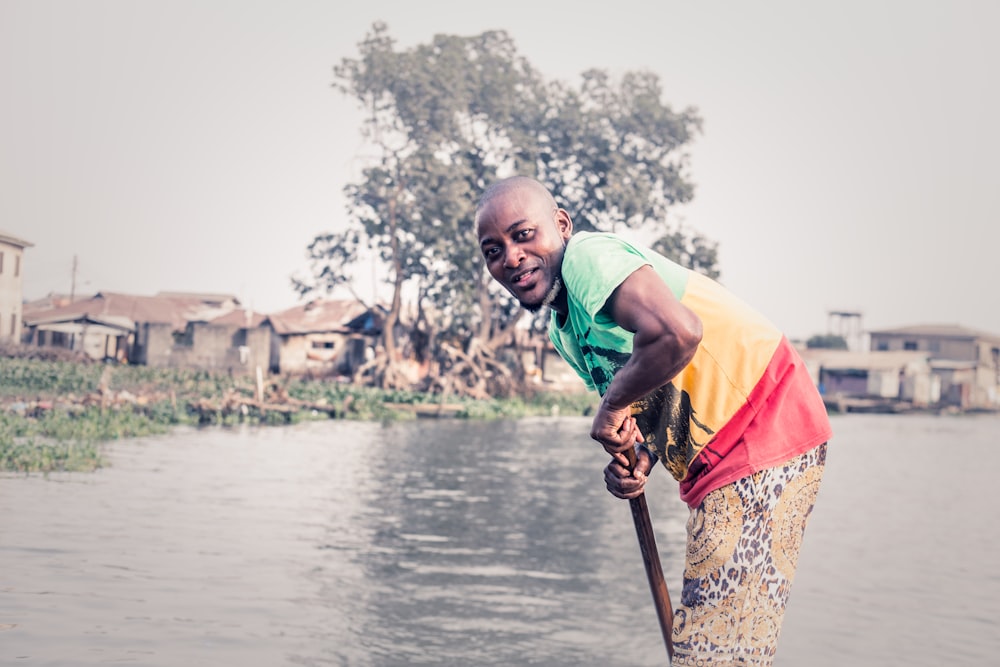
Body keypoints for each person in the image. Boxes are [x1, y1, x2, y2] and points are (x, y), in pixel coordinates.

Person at [475, 175, 832, 666]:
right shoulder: (566, 329)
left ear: (561, 226)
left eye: (523, 235)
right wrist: (635, 459)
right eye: (492, 250)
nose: (510, 257)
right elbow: (640, 411)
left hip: (763, 424)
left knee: (713, 654)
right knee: (709, 647)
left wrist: (610, 406)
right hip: (714, 465)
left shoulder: (588, 257)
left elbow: (678, 333)